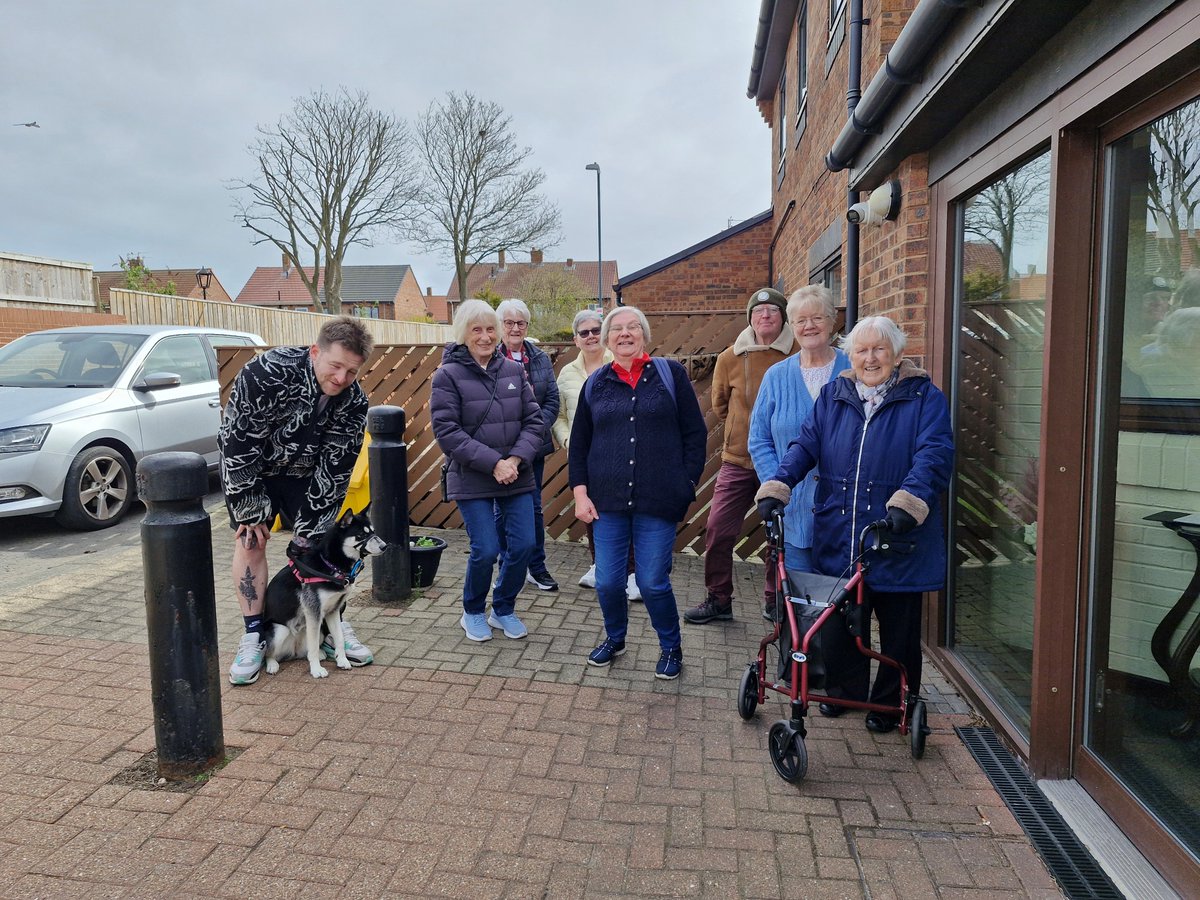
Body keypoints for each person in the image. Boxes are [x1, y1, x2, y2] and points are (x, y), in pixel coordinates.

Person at [755, 315, 954, 732]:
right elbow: (804, 446)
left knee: (898, 629)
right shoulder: (834, 395)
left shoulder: (924, 398)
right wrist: (779, 485)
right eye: (862, 350)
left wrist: (910, 501)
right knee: (840, 624)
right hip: (840, 531)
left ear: (897, 354)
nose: (870, 358)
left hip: (894, 534)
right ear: (851, 355)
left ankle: (891, 702)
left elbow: (934, 454)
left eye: (879, 349)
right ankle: (845, 692)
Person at [220, 316, 375, 686]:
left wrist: (310, 535)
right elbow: (238, 442)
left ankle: (327, 626)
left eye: (351, 372)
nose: (341, 379)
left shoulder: (354, 402)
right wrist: (250, 510)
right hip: (254, 469)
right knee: (251, 541)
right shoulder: (266, 373)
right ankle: (255, 635)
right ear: (315, 351)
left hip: (307, 475)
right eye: (335, 366)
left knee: (325, 547)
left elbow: (336, 469)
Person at [569, 306, 708, 680]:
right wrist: (581, 496)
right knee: (609, 581)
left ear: (644, 335)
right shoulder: (595, 383)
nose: (625, 333)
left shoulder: (669, 375)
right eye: (617, 328)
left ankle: (670, 647)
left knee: (651, 581)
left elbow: (695, 435)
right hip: (607, 502)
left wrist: (687, 483)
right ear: (607, 338)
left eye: (633, 327)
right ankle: (616, 638)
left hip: (658, 501)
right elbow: (578, 446)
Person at [430, 299, 543, 643]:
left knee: (524, 546)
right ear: (463, 334)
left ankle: (503, 608)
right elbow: (447, 432)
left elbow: (534, 421)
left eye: (490, 328)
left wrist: (514, 461)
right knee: (487, 549)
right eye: (476, 329)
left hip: (516, 474)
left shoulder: (512, 370)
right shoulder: (447, 375)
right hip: (472, 477)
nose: (485, 336)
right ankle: (473, 611)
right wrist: (494, 463)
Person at [684, 287, 794, 625]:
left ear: (783, 316)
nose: (765, 317)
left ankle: (776, 599)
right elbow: (719, 405)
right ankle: (719, 599)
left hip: (784, 464)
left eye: (772, 311)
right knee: (718, 529)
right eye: (759, 312)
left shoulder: (797, 353)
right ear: (750, 318)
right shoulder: (731, 357)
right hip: (738, 459)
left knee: (783, 532)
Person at [748, 285, 851, 600]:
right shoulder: (777, 376)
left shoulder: (854, 369)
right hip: (794, 514)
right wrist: (776, 486)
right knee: (799, 606)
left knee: (841, 607)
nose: (809, 326)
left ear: (832, 321)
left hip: (844, 513)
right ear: (791, 326)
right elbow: (759, 439)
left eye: (817, 318)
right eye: (801, 320)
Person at [552, 308, 640, 595]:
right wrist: (567, 441)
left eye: (594, 331)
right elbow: (559, 415)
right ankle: (599, 564)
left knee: (622, 509)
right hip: (583, 455)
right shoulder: (566, 374)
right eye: (584, 332)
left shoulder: (619, 364)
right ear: (576, 340)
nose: (590, 336)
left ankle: (631, 573)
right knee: (590, 510)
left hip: (617, 452)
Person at [493, 299, 561, 591]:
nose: (515, 328)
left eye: (521, 323)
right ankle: (507, 566)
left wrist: (531, 434)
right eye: (509, 323)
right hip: (499, 450)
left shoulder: (540, 358)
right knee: (501, 510)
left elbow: (552, 401)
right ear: (500, 326)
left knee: (533, 508)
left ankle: (536, 566)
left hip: (532, 448)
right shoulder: (489, 357)